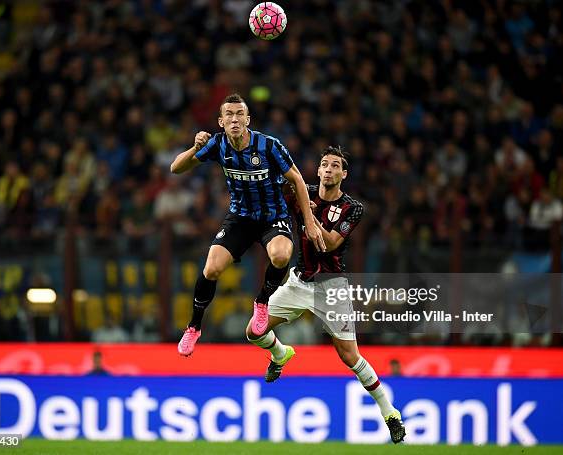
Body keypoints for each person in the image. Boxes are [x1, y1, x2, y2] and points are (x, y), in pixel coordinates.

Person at [245, 146, 406, 444]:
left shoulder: (352, 208)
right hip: (299, 281)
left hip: (331, 288)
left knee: (350, 356)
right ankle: (280, 354)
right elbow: (269, 188)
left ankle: (390, 412)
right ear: (318, 171)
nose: (329, 169)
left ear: (344, 174)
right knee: (254, 331)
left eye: (335, 166)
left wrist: (308, 214)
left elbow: (329, 244)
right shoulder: (300, 192)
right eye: (324, 165)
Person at [171, 93, 325, 356]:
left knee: (280, 255)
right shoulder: (218, 145)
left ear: (248, 119)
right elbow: (176, 168)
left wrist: (309, 224)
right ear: (221, 121)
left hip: (273, 215)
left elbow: (298, 180)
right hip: (240, 217)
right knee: (211, 269)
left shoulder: (269, 146)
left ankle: (262, 302)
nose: (234, 119)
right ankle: (194, 327)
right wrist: (195, 147)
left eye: (239, 114)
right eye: (229, 115)